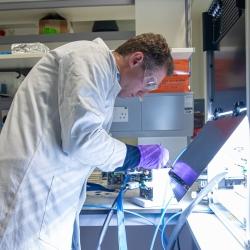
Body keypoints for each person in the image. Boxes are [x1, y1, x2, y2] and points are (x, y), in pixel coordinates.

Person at [0, 33, 173, 250]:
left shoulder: (105, 79)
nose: (142, 95)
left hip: (47, 198)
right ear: (136, 59)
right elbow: (83, 141)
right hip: (28, 197)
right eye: (149, 83)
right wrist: (138, 156)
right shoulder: (89, 59)